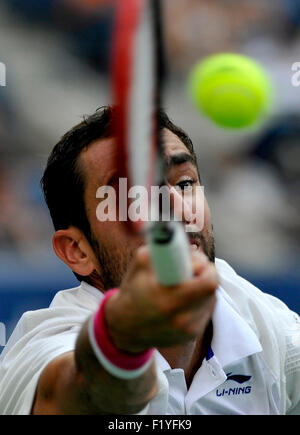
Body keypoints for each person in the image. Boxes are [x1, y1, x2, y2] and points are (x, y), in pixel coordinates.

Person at [0, 106, 299, 415]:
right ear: (77, 250)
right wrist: (123, 341)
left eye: (185, 184)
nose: (178, 210)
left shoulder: (262, 322)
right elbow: (82, 392)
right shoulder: (46, 349)